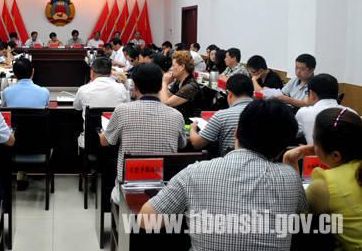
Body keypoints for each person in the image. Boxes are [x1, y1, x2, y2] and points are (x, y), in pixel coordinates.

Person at [140, 99, 305, 251]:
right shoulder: (290, 178)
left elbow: (145, 221)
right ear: (282, 147)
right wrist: (290, 162)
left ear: (236, 132)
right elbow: (303, 215)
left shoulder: (195, 172)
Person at [100, 63, 185, 204]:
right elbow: (182, 144)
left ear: (135, 86)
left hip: (129, 190)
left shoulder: (122, 111)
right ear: (161, 86)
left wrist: (104, 131)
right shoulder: (176, 115)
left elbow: (105, 142)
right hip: (164, 193)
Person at [283, 108, 362, 251]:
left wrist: (289, 162)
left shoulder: (325, 184)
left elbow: (297, 215)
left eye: (315, 141)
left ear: (336, 155)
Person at [190, 74, 253, 155]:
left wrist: (193, 128)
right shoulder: (266, 112)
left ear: (229, 94)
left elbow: (197, 143)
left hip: (229, 161)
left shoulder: (222, 115)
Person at [74, 57, 130, 148]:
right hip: (115, 142)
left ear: (92, 73)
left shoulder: (84, 89)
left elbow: (77, 107)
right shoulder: (121, 88)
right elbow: (127, 107)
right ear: (110, 73)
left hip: (90, 142)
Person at [294, 73, 350, 144]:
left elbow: (293, 134)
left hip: (315, 151)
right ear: (337, 94)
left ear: (312, 94)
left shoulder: (303, 112)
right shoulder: (351, 113)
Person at [159, 51, 200, 121]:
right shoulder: (179, 81)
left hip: (189, 123)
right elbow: (166, 96)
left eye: (173, 65)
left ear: (182, 67)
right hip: (179, 119)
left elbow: (166, 104)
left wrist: (164, 83)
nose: (171, 68)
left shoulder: (191, 86)